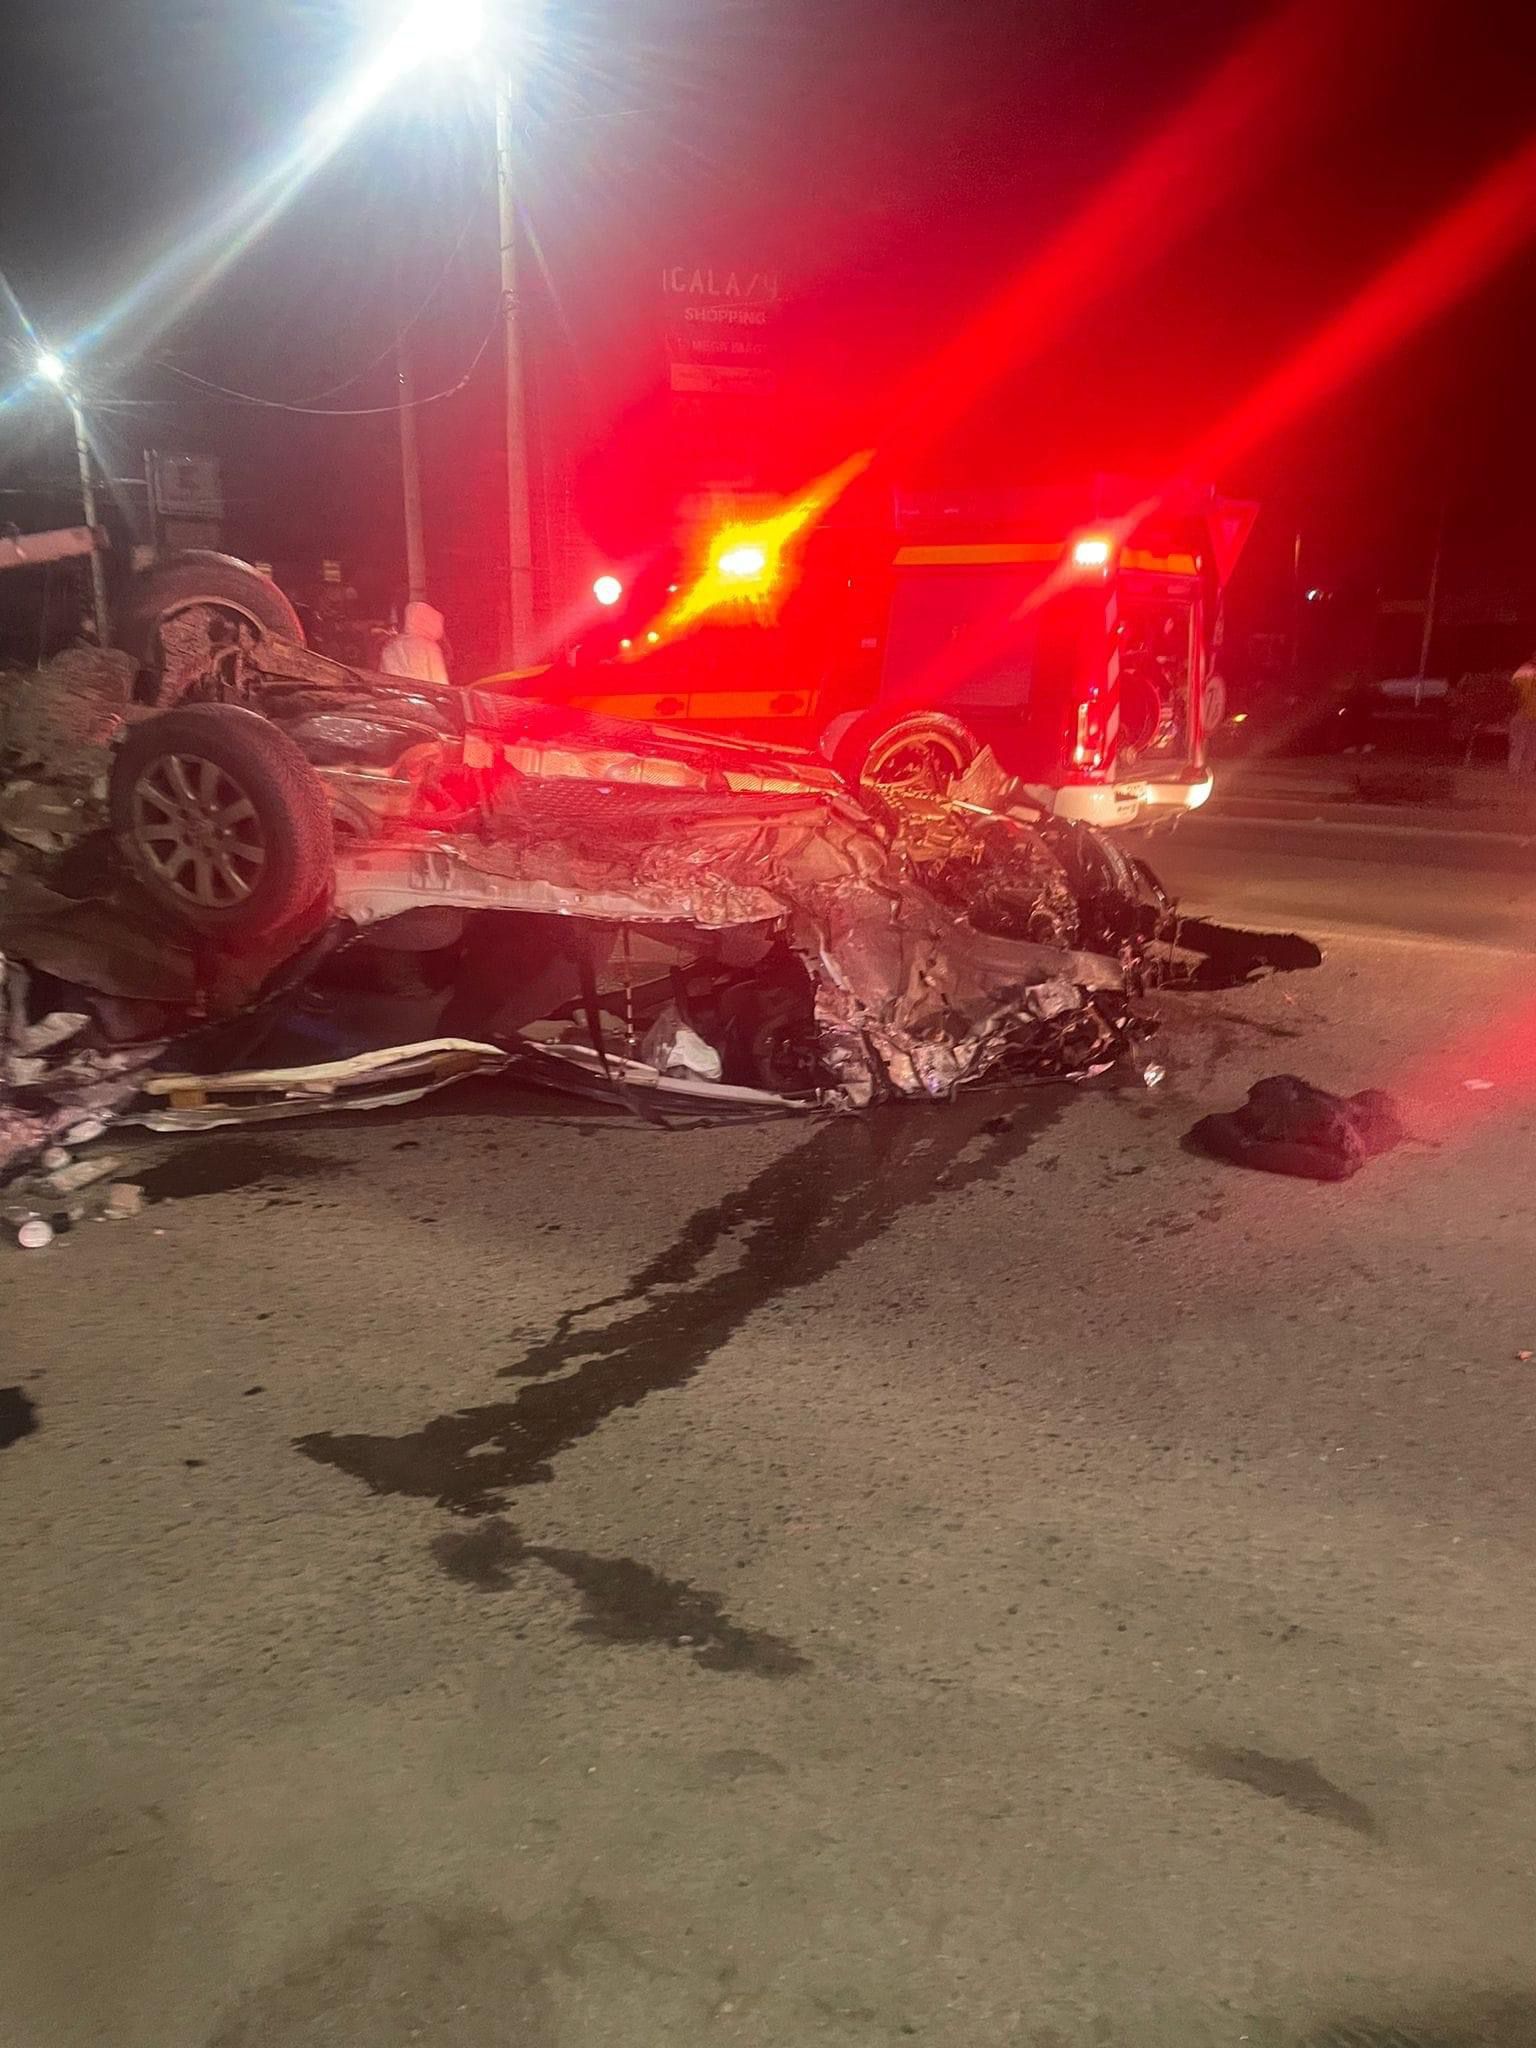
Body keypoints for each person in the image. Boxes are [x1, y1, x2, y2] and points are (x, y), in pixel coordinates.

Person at [380, 599, 450, 684]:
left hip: (396, 692)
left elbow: (384, 678)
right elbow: (440, 681)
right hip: (424, 692)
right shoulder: (430, 647)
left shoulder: (391, 645)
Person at [1509, 652, 1536, 779]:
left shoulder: (1523, 671)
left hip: (1527, 713)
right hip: (1524, 713)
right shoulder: (1525, 671)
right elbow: (1514, 692)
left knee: (1529, 745)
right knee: (1523, 744)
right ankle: (1516, 771)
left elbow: (1513, 691)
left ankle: (1522, 772)